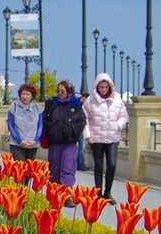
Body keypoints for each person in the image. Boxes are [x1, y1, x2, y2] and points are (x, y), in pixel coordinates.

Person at [84, 72, 129, 202]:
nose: (103, 90)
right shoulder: (89, 101)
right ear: (97, 87)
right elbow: (85, 119)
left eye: (106, 87)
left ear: (110, 87)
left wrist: (118, 125)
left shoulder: (117, 99)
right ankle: (98, 194)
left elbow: (124, 116)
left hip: (112, 138)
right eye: (101, 87)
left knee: (112, 164)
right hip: (96, 138)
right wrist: (88, 136)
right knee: (98, 166)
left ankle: (107, 192)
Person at [43, 80, 85, 194]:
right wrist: (50, 129)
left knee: (68, 168)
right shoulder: (52, 103)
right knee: (54, 170)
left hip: (69, 142)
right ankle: (54, 194)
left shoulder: (76, 105)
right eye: (59, 90)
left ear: (69, 91)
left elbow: (82, 121)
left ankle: (67, 194)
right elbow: (44, 119)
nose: (60, 93)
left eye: (63, 90)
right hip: (55, 142)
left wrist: (73, 130)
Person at [6, 83, 43, 161]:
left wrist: (35, 140)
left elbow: (40, 125)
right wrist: (20, 140)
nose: (25, 96)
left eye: (27, 94)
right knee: (20, 169)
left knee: (29, 170)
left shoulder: (37, 108)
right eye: (23, 94)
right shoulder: (14, 107)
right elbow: (11, 125)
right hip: (17, 144)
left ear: (32, 96)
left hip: (32, 144)